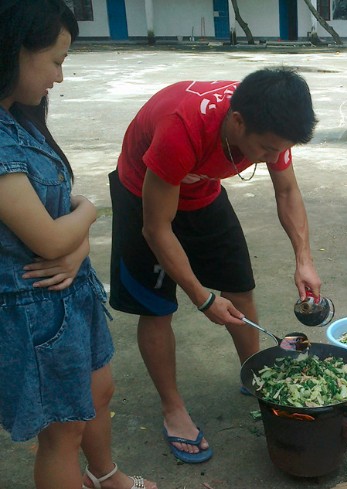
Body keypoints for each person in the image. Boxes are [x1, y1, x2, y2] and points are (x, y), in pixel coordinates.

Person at [109, 67, 321, 463]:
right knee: (156, 308)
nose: (274, 158)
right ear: (237, 122)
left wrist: (304, 260)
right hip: (144, 191)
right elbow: (156, 230)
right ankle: (173, 409)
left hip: (201, 189)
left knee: (239, 286)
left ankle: (254, 373)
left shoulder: (271, 124)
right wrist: (203, 299)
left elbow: (287, 189)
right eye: (267, 149)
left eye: (281, 149)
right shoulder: (181, 127)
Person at [0, 1, 156, 488]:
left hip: (71, 299)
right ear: (12, 50)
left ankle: (106, 475)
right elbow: (50, 236)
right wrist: (89, 211)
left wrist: (78, 246)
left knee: (99, 391)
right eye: (55, 61)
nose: (60, 78)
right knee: (62, 431)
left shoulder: (18, 120)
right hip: (35, 312)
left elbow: (54, 221)